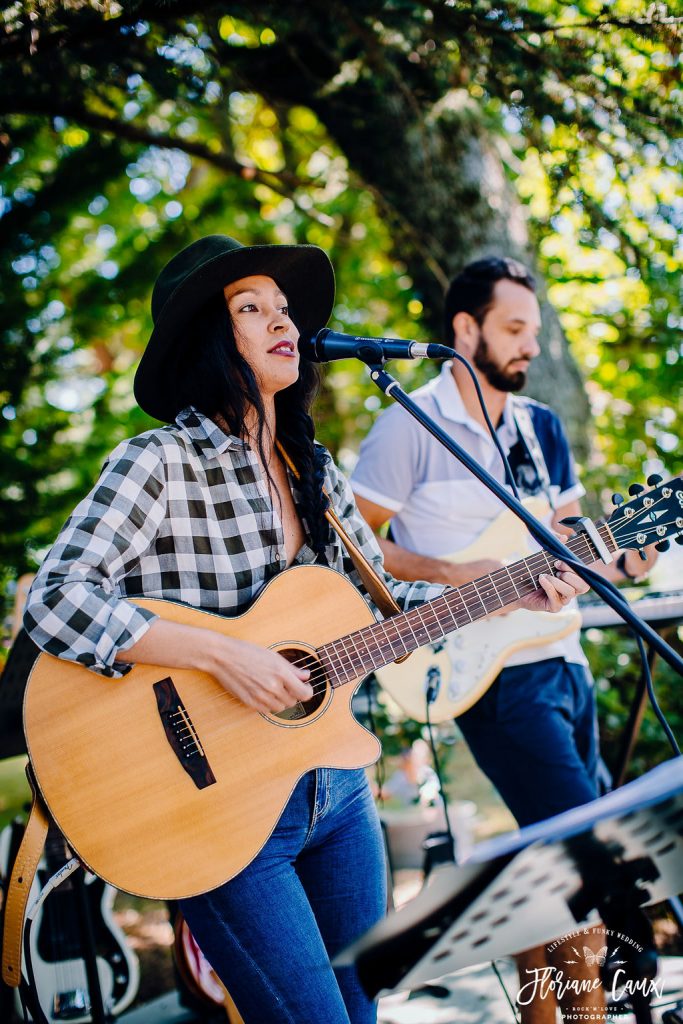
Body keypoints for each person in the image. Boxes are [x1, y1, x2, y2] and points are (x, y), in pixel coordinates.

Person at [23, 237, 589, 1024]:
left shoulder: (312, 468)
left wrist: (509, 594)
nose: (282, 321)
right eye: (250, 309)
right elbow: (56, 598)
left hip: (338, 792)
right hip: (214, 807)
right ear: (207, 341)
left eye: (284, 309)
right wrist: (224, 655)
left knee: (365, 1015)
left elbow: (391, 608)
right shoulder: (159, 462)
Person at [351, 256, 656, 1022]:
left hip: (564, 658)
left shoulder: (539, 427)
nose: (528, 346)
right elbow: (352, 544)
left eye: (533, 331)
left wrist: (621, 557)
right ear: (465, 327)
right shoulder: (408, 423)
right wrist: (454, 571)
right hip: (486, 672)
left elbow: (569, 546)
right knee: (585, 863)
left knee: (538, 862)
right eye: (514, 329)